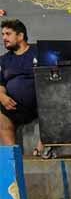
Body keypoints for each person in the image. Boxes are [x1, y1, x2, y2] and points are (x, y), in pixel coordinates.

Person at [0, 19, 39, 150]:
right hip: (15, 106)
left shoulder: (38, 52)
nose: (4, 38)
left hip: (40, 104)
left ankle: (43, 148)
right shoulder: (4, 60)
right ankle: (12, 154)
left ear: (20, 36)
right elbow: (1, 84)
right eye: (3, 34)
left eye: (8, 34)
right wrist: (2, 96)